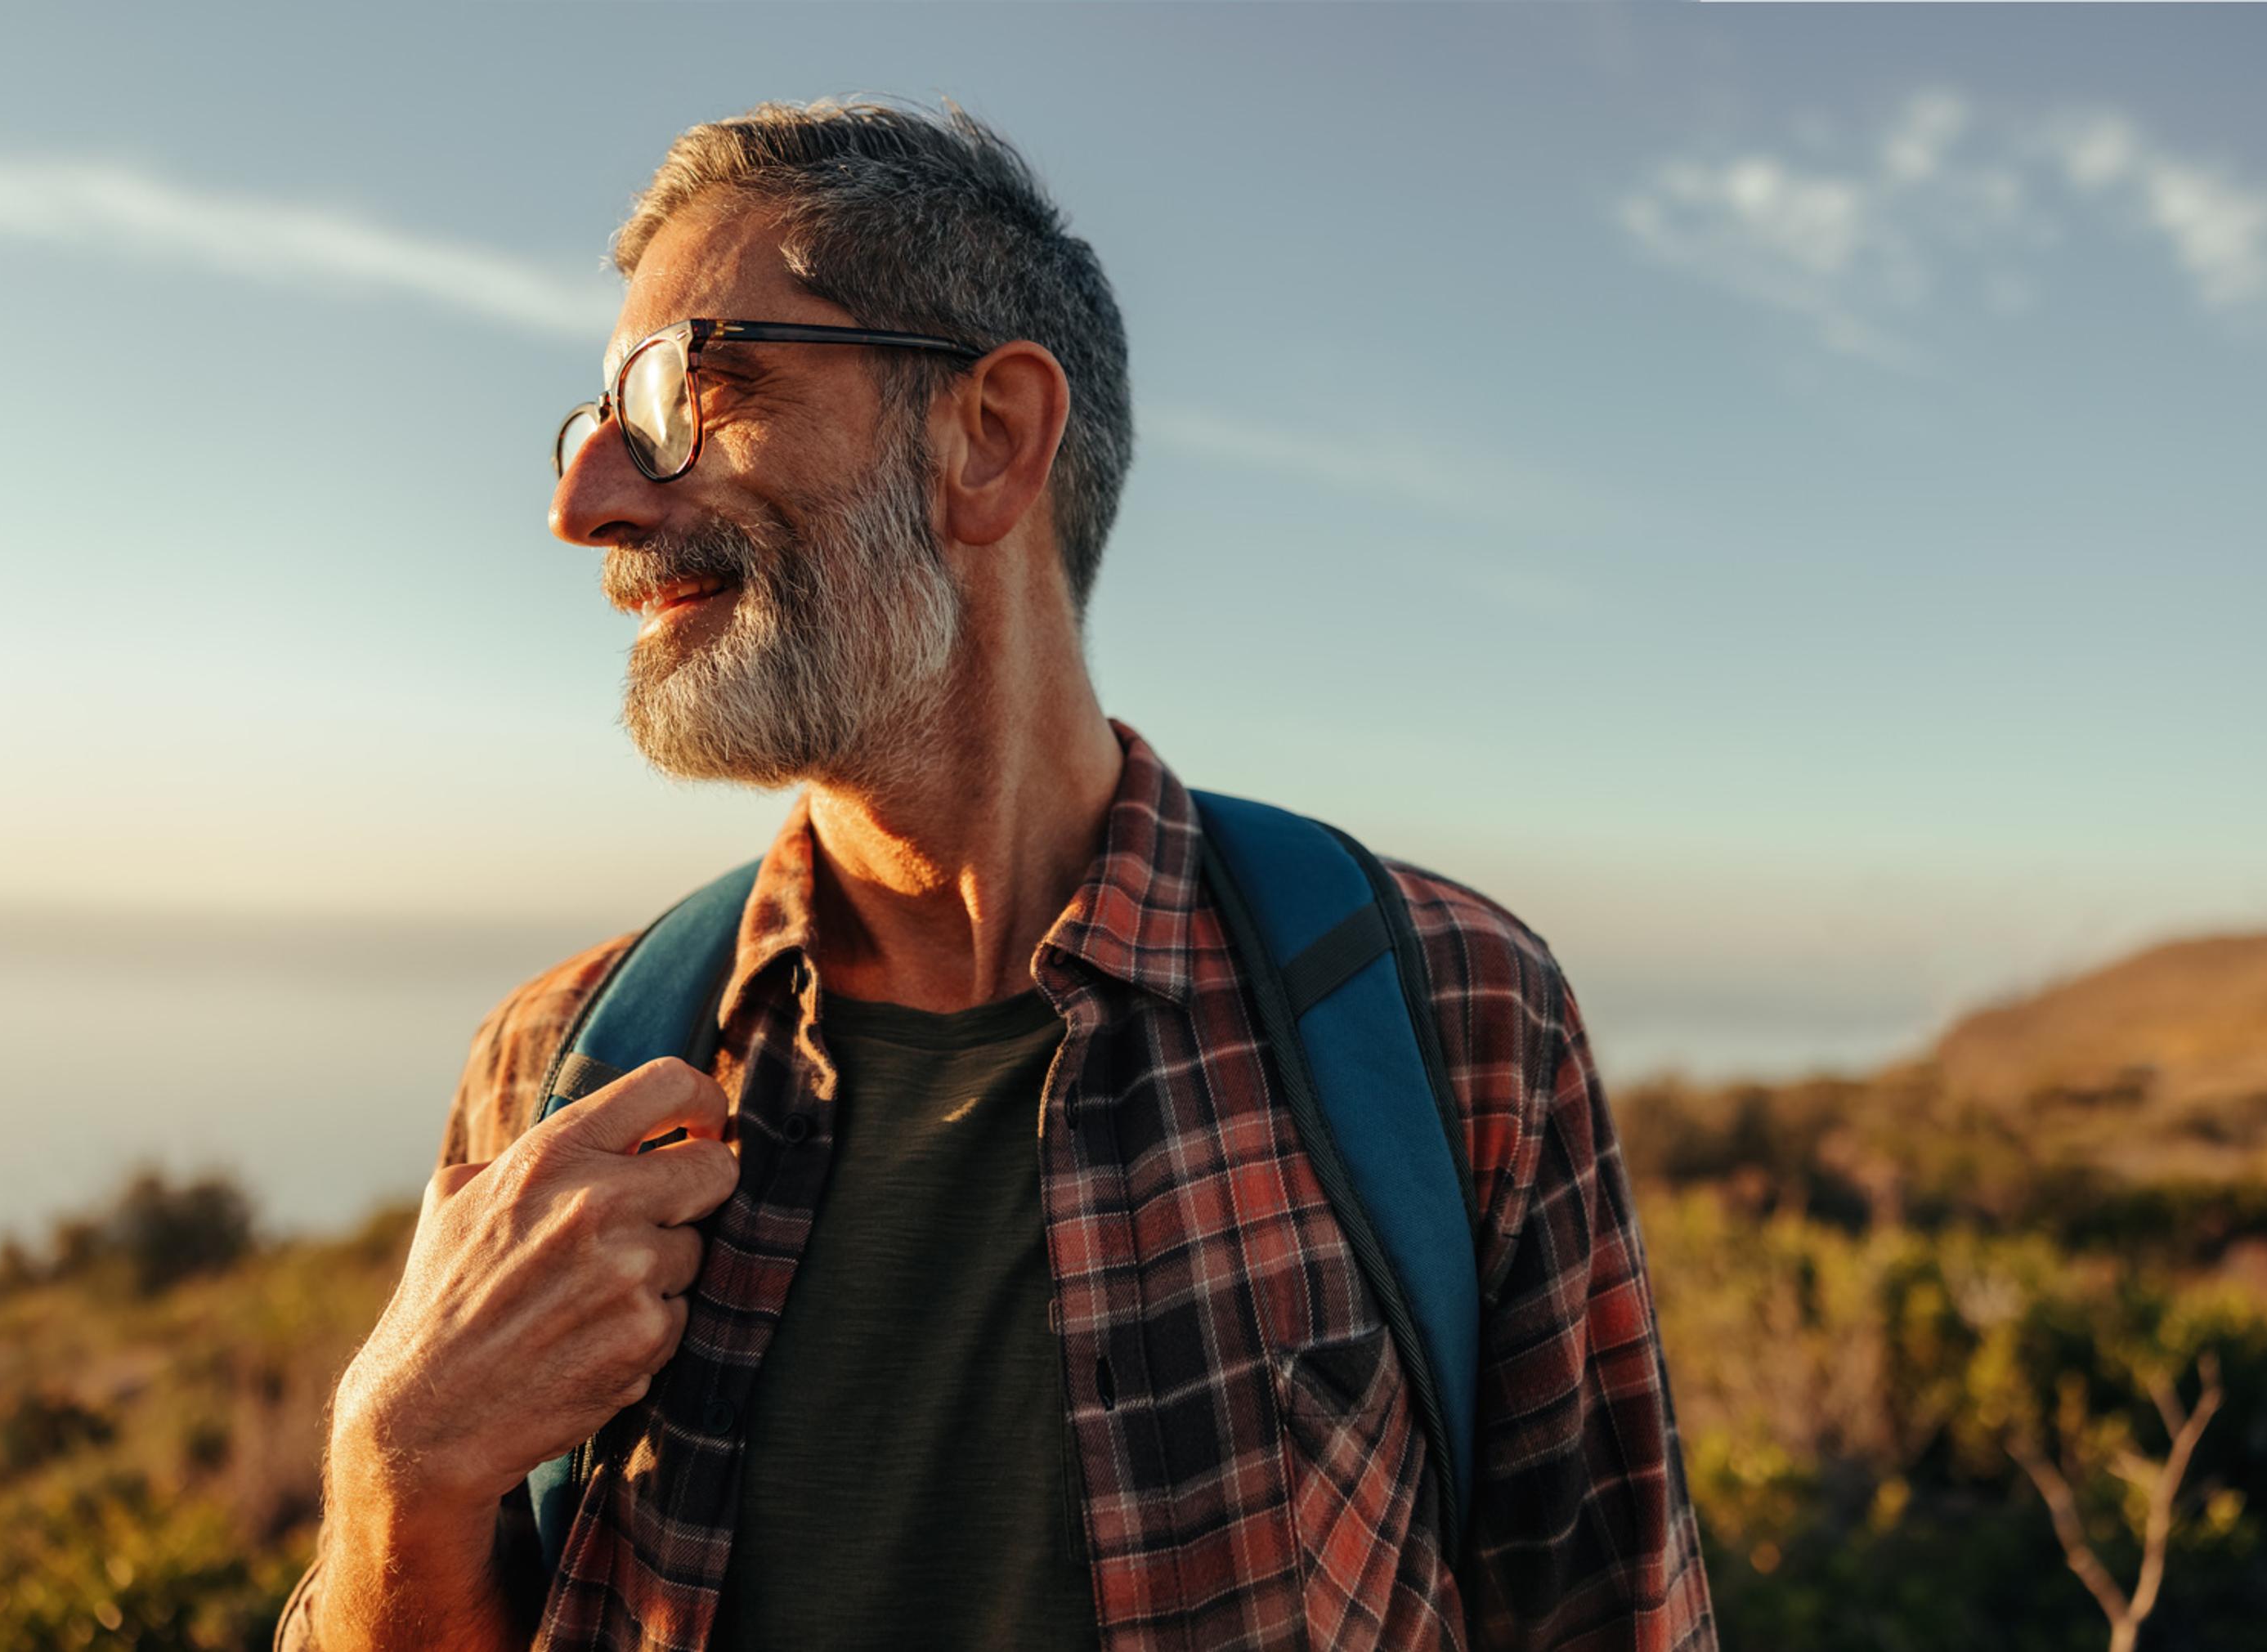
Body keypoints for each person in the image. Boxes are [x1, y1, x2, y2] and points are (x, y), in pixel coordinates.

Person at [285, 101, 1715, 1651]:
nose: (591, 506)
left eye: (679, 393)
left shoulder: (1447, 1014)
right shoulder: (560, 1069)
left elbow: (1618, 1614)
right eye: (593, 430)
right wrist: (392, 1477)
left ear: (990, 437)